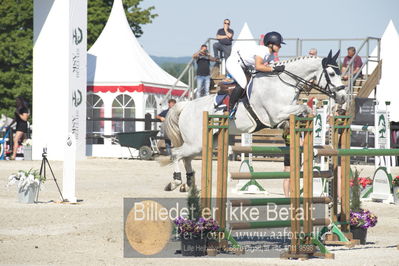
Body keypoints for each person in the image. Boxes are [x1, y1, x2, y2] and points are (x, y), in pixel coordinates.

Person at [226, 31, 286, 114]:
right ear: (271, 44)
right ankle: (230, 108)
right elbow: (259, 66)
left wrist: (280, 68)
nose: (280, 46)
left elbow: (272, 66)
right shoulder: (263, 51)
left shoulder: (271, 54)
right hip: (233, 63)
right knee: (243, 83)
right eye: (278, 44)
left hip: (244, 66)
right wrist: (273, 69)